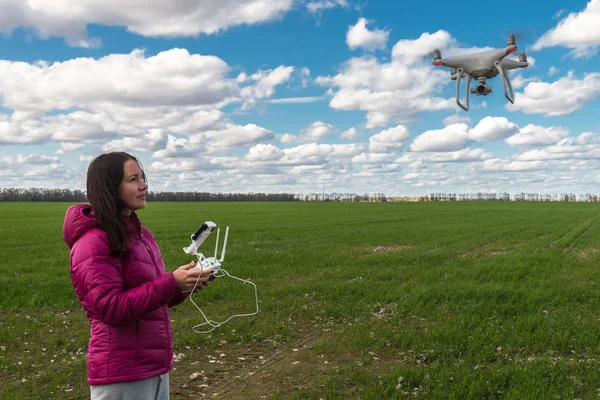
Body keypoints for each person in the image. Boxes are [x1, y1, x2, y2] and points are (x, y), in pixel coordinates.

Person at [63, 151, 213, 400]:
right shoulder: (93, 243)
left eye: (142, 177)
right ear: (110, 188)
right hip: (123, 372)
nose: (144, 185)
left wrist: (181, 287)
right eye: (133, 179)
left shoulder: (140, 234)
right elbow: (110, 308)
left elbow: (151, 297)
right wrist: (170, 282)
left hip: (153, 366)